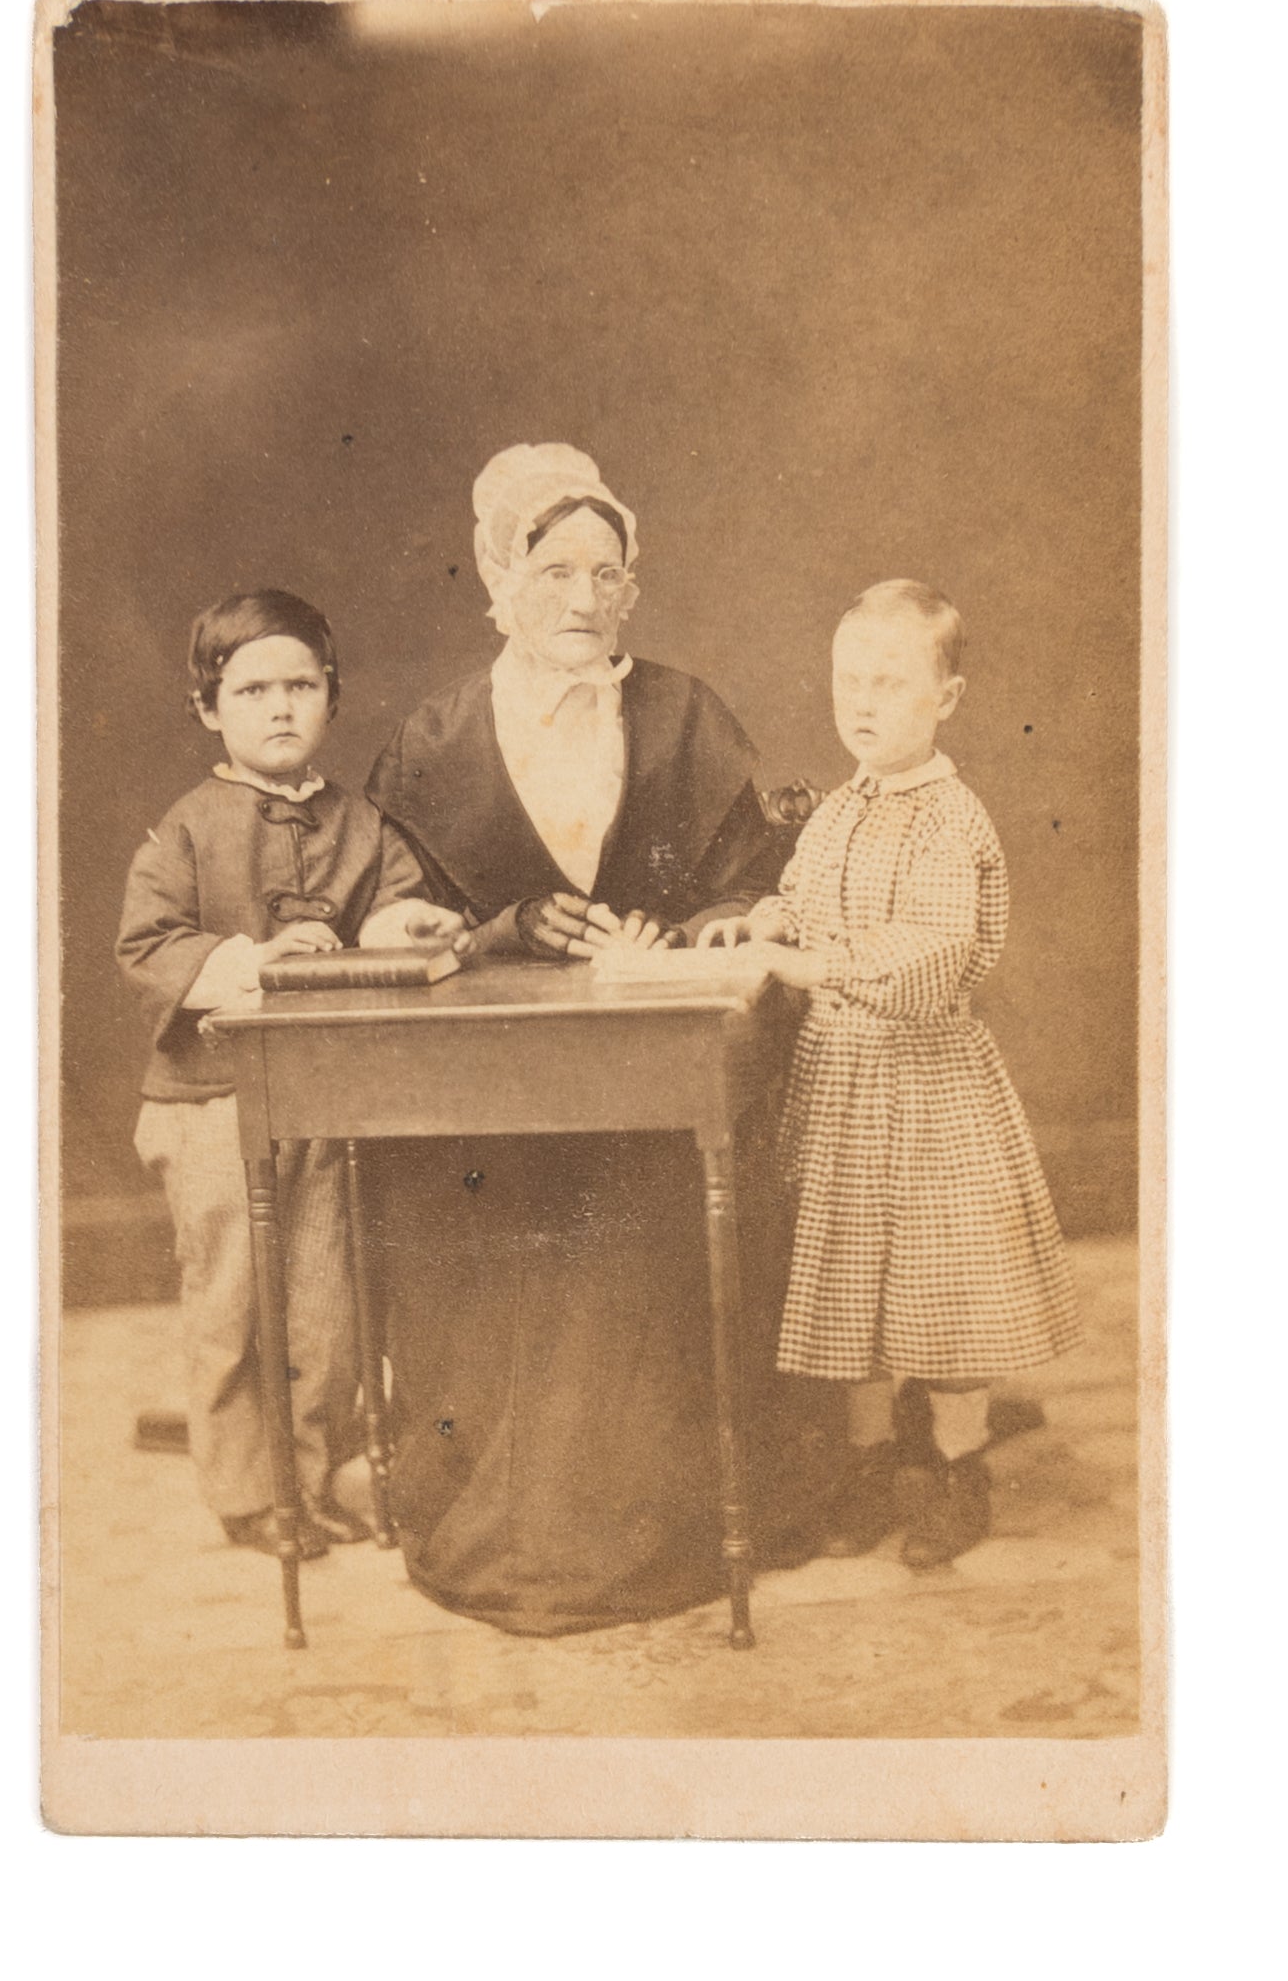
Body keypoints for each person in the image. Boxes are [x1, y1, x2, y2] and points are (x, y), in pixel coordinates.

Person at [364, 444, 786, 1632]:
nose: (583, 601)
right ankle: (498, 1527)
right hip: (477, 1113)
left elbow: (750, 873)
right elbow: (387, 914)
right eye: (553, 572)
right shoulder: (434, 741)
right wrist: (503, 924)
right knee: (498, 1219)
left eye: (607, 574)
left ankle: (662, 1528)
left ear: (631, 588)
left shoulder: (682, 710)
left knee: (641, 1212)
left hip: (647, 1088)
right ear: (499, 579)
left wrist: (688, 925)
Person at [703, 579, 1080, 1566]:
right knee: (850, 1278)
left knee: (938, 1281)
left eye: (888, 681)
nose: (860, 702)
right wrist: (766, 922)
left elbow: (929, 952)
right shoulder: (838, 807)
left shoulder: (950, 821)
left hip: (922, 1081)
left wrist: (812, 963)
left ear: (943, 698)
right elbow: (801, 892)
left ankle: (958, 1466)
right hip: (838, 1080)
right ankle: (868, 1463)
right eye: (846, 680)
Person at [116, 588, 467, 1558]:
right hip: (213, 1102)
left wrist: (410, 924)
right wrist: (256, 957)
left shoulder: (359, 822)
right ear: (207, 708)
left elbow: (390, 903)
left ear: (331, 697)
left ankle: (312, 1477)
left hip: (324, 1102)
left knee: (325, 1303)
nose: (279, 708)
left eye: (300, 686)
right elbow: (146, 945)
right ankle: (246, 1491)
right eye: (252, 688)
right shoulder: (186, 829)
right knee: (233, 1299)